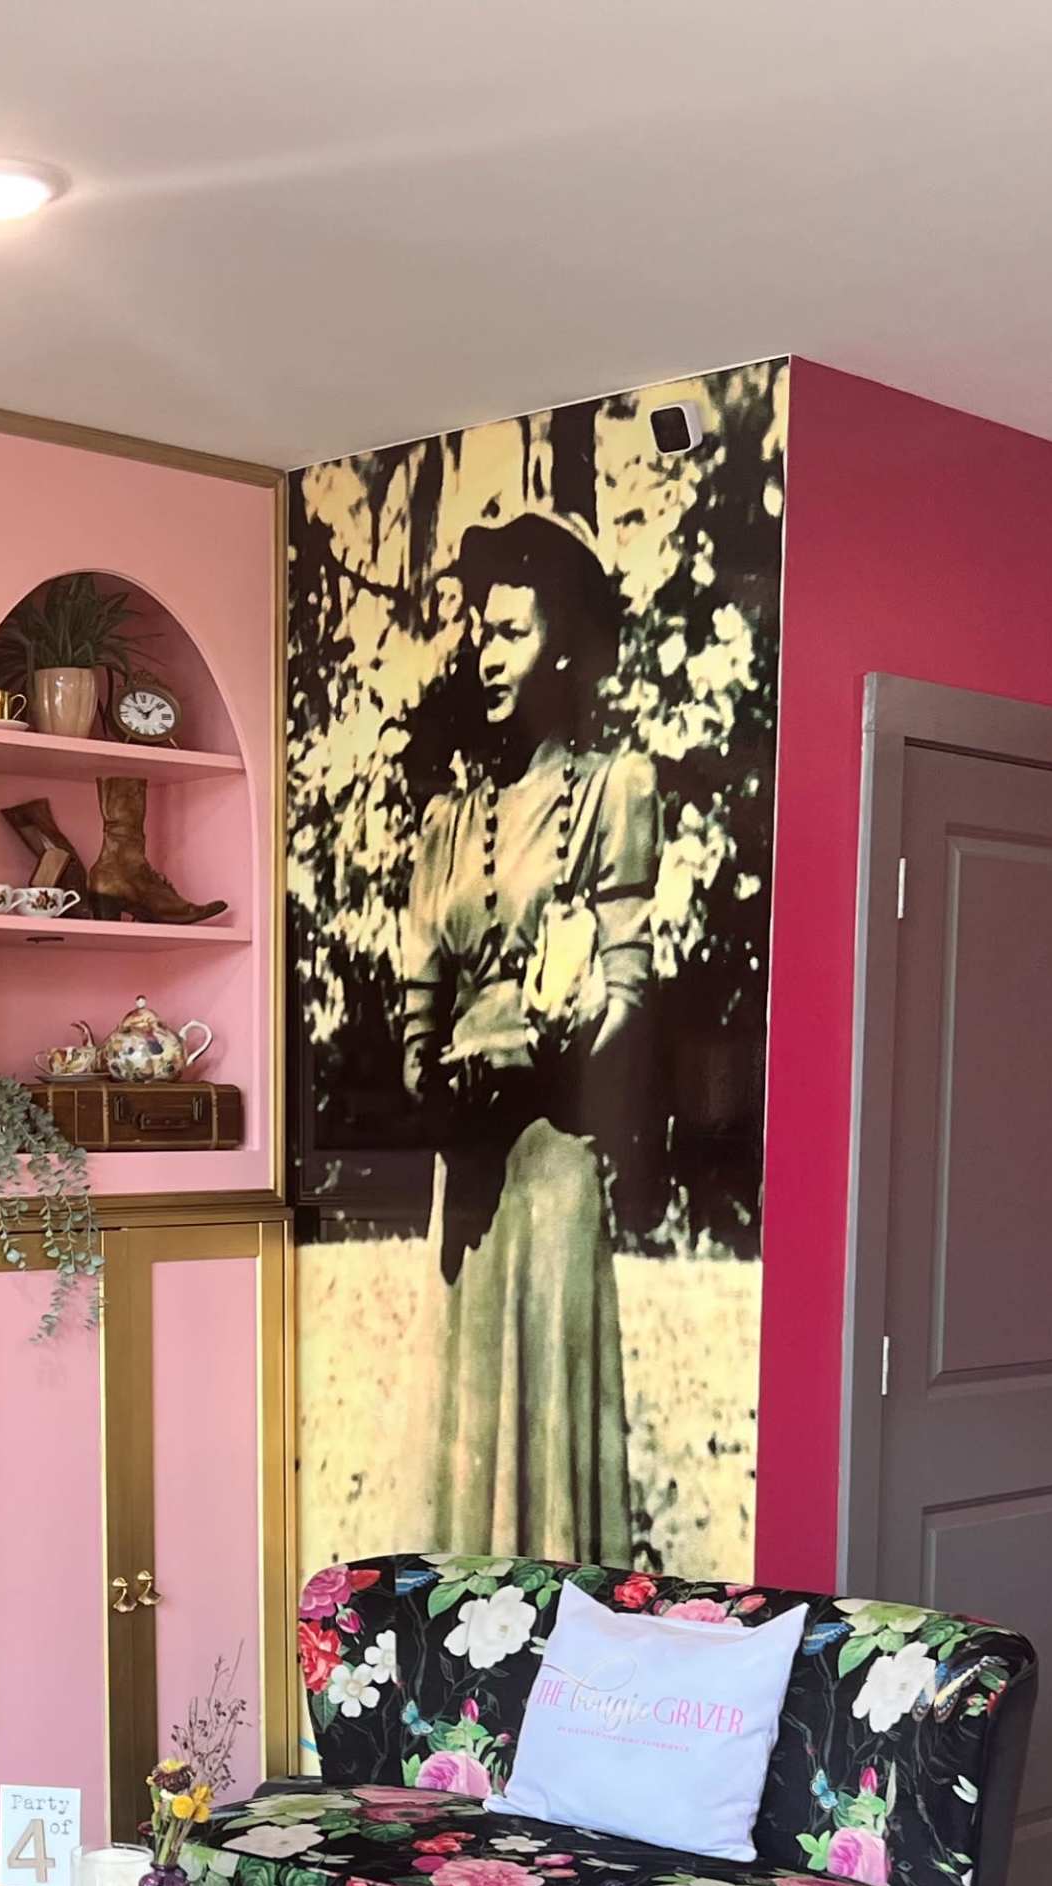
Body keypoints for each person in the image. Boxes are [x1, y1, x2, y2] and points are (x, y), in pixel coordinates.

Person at [392, 512, 658, 1561]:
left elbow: (629, 990)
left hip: (548, 1168)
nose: (483, 651)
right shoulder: (445, 822)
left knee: (546, 1453)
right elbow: (418, 1003)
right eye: (479, 630)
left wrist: (549, 1046)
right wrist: (431, 1076)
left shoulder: (613, 792)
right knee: (463, 1453)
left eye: (508, 631)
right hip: (469, 1179)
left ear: (565, 643)